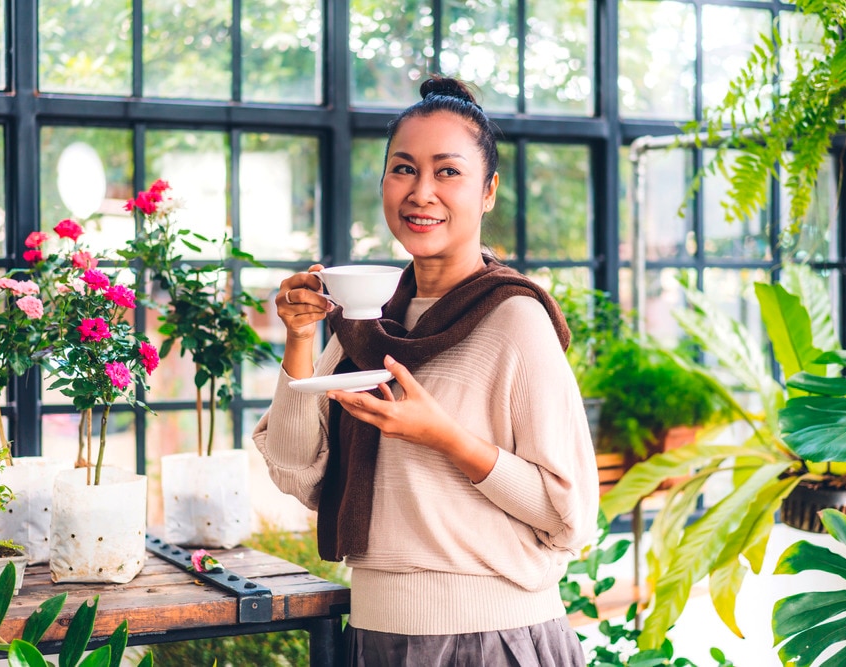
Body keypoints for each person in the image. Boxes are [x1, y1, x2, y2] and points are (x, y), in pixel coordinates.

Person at [253, 75, 599, 666]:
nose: (421, 192)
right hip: (375, 634)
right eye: (404, 168)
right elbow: (295, 471)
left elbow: (571, 515)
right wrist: (302, 336)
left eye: (447, 171)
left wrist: (440, 435)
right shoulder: (371, 319)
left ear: (488, 191)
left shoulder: (515, 320)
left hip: (491, 640)